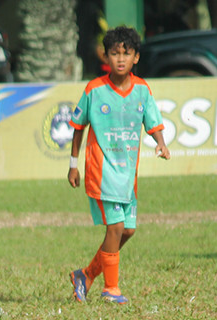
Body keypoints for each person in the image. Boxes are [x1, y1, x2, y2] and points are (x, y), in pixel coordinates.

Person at [66, 26, 170, 305]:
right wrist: (73, 165)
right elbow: (78, 127)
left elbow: (153, 122)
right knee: (115, 228)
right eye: (114, 53)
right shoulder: (94, 89)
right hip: (102, 173)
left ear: (136, 57)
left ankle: (85, 275)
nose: (120, 59)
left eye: (126, 54)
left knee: (127, 231)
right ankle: (111, 289)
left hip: (127, 176)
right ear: (106, 57)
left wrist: (161, 142)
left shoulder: (142, 90)